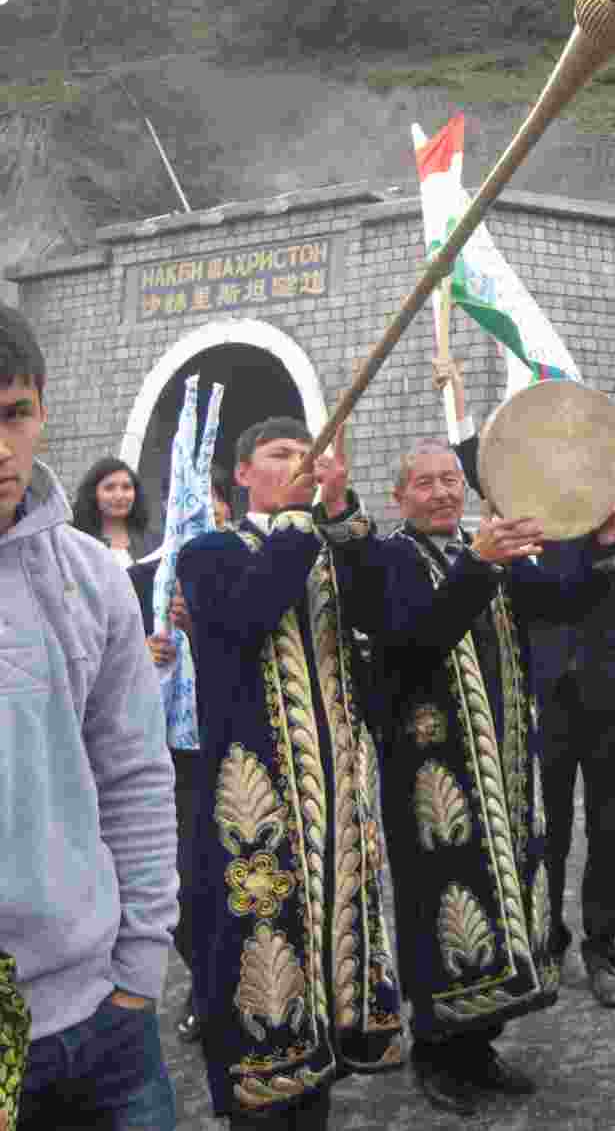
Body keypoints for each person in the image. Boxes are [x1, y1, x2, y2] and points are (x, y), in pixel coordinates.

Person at [341, 433, 615, 1116]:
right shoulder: (391, 560)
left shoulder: (488, 552)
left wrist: (601, 552)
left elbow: (559, 605)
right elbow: (414, 641)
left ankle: (479, 1044)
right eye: (425, 483)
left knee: (502, 900)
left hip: (500, 761)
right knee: (441, 905)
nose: (443, 492)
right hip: (430, 772)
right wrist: (477, 564)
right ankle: (435, 1048)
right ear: (399, 497)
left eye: (451, 479)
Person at [176, 417, 403, 1130]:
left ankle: (320, 1083)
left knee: (332, 958)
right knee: (261, 954)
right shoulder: (208, 553)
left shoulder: (325, 545)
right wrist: (301, 521)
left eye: (310, 455)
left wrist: (341, 514)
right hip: (255, 804)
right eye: (281, 455)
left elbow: (391, 617)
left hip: (338, 802)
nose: (301, 464)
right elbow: (249, 612)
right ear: (243, 473)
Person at [434, 356, 615, 1009]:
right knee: (548, 832)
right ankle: (548, 942)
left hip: (613, 707)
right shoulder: (532, 532)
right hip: (544, 707)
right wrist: (458, 402)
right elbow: (488, 473)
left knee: (609, 831)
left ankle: (601, 949)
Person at [0, 302, 179, 1130]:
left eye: (14, 413)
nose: (1, 448)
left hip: (106, 1021)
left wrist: (139, 968)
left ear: (42, 408)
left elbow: (134, 773)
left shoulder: (94, 579)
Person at [130, 465, 234, 1046]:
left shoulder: (242, 565)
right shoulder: (141, 578)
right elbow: (112, 662)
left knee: (236, 872)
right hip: (172, 752)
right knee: (181, 881)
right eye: (187, 500)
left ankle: (230, 986)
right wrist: (144, 653)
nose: (201, 510)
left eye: (211, 499)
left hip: (235, 743)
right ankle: (206, 976)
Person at [71, 454, 153, 565]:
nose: (119, 496)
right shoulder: (77, 544)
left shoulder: (153, 543)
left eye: (126, 487)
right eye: (109, 488)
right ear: (93, 494)